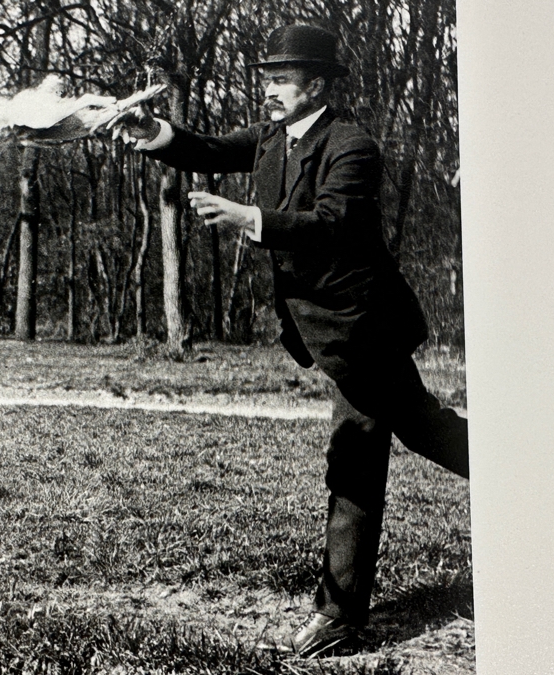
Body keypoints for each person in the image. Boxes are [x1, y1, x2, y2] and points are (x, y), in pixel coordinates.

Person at [112, 24, 470, 657]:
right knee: (426, 428)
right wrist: (156, 135)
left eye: (281, 79)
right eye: (267, 78)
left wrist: (250, 218)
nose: (269, 91)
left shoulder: (352, 145)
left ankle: (340, 616)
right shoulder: (274, 138)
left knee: (356, 456)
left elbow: (334, 225)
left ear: (318, 85)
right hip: (332, 330)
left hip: (363, 327)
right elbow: (213, 148)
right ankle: (533, 478)